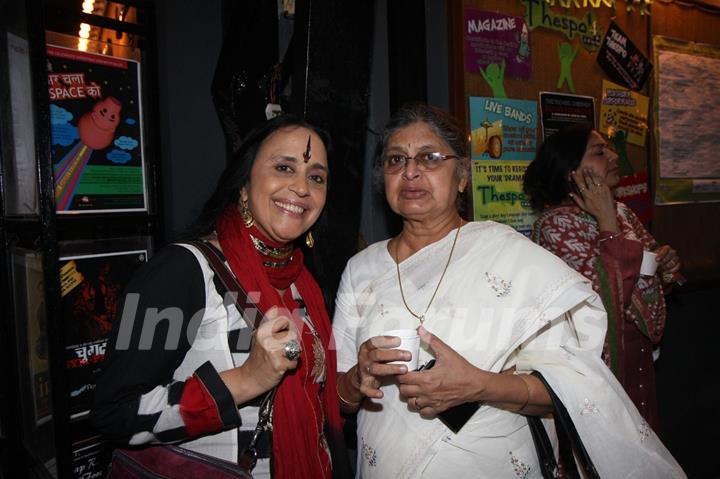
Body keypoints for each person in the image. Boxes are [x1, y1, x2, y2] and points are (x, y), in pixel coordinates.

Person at [331, 103, 684, 478]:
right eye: (395, 160)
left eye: (430, 157)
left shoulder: (512, 257)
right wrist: (356, 379)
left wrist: (479, 386)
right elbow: (339, 400)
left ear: (462, 176)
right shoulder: (361, 269)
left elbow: (570, 391)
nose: (411, 171)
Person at [92, 115, 345, 479]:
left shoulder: (303, 283)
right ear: (243, 184)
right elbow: (114, 413)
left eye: (316, 177)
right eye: (283, 167)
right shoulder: (179, 269)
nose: (301, 187)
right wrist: (246, 380)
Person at [523, 123, 681, 431]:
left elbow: (648, 278)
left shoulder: (623, 212)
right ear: (571, 171)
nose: (612, 156)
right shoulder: (554, 226)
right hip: (601, 368)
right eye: (599, 151)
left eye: (609, 148)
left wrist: (667, 267)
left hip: (638, 361)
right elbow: (604, 300)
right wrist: (607, 223)